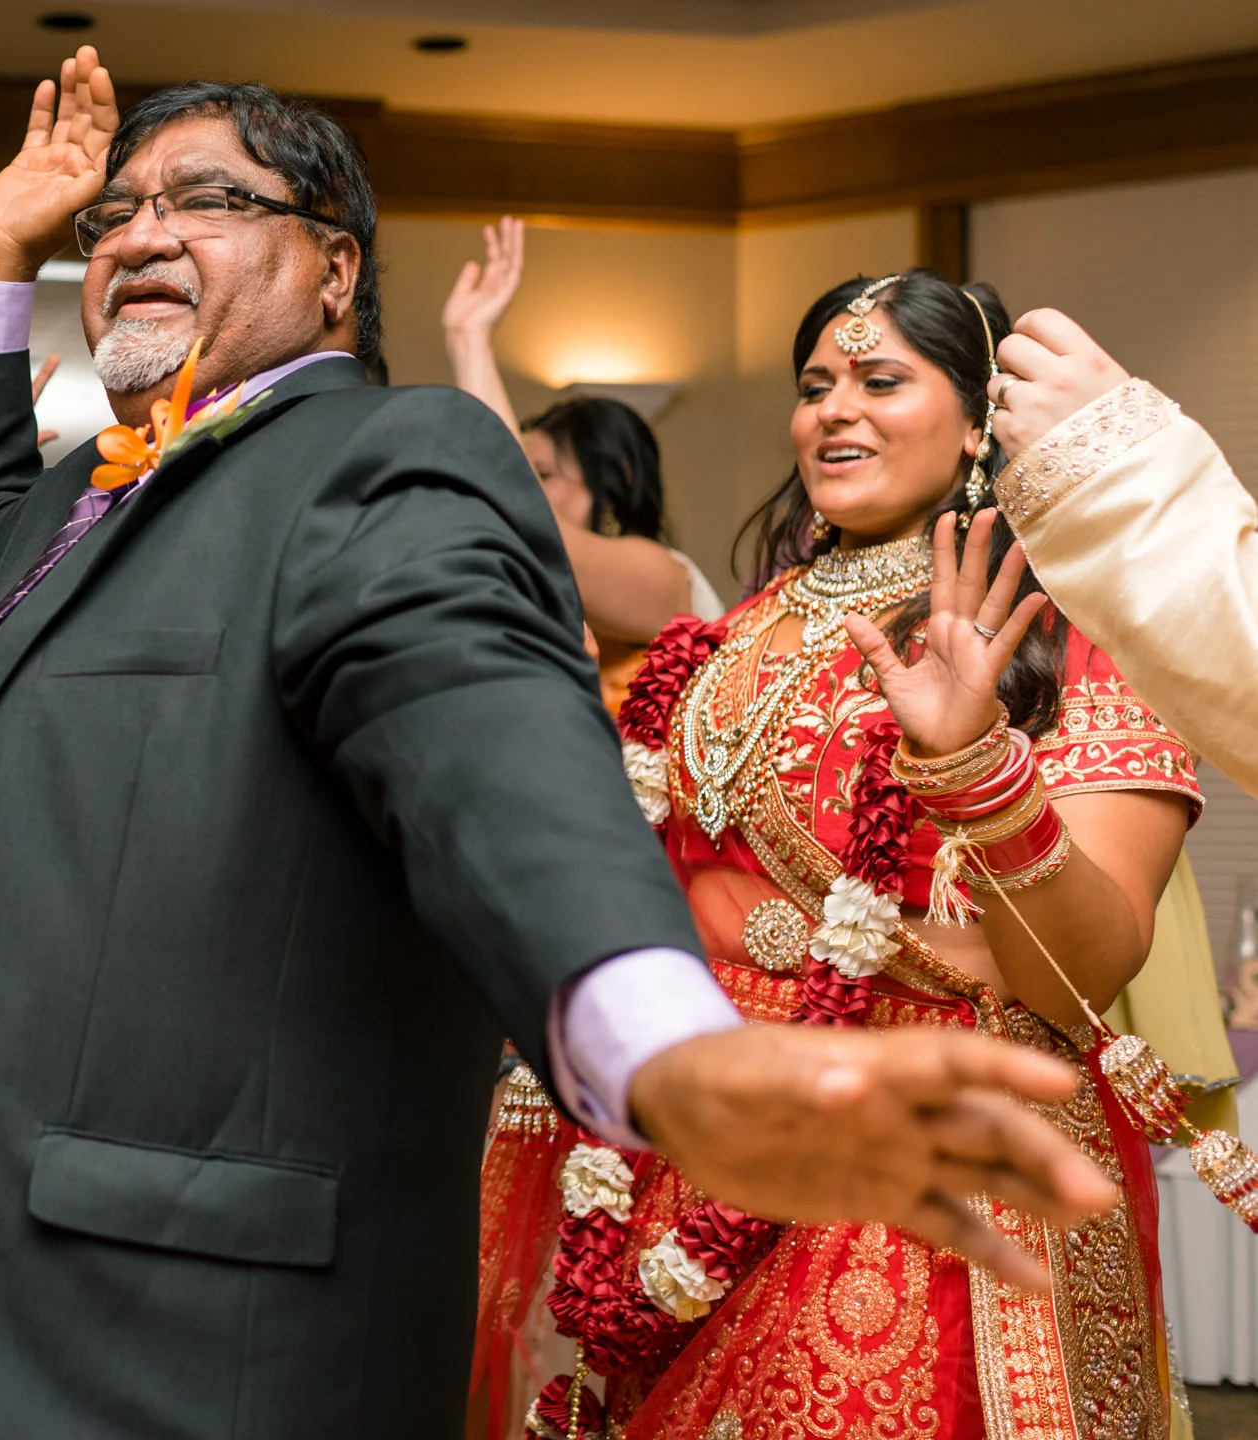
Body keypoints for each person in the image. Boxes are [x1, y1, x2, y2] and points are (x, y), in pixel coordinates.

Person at [0, 51, 1120, 1438]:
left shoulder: (378, 460)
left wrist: (663, 1045)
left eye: (207, 199)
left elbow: (482, 742)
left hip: (136, 1341)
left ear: (336, 268)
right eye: (114, 213)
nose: (138, 232)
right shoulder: (91, 492)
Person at [492, 270, 1200, 1440]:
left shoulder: (1066, 632)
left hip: (922, 1167)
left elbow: (1081, 972)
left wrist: (976, 767)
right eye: (816, 384)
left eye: (880, 380)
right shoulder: (724, 638)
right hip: (703, 1152)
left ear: (978, 421)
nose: (835, 410)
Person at [442, 217, 724, 711]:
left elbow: (527, 517)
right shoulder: (533, 588)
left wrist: (471, 343)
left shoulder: (664, 577)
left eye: (544, 475)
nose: (527, 484)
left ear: (615, 480)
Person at [984, 308, 1258, 801]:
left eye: (882, 384)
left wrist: (1110, 462)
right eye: (829, 387)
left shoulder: (1080, 652)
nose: (840, 410)